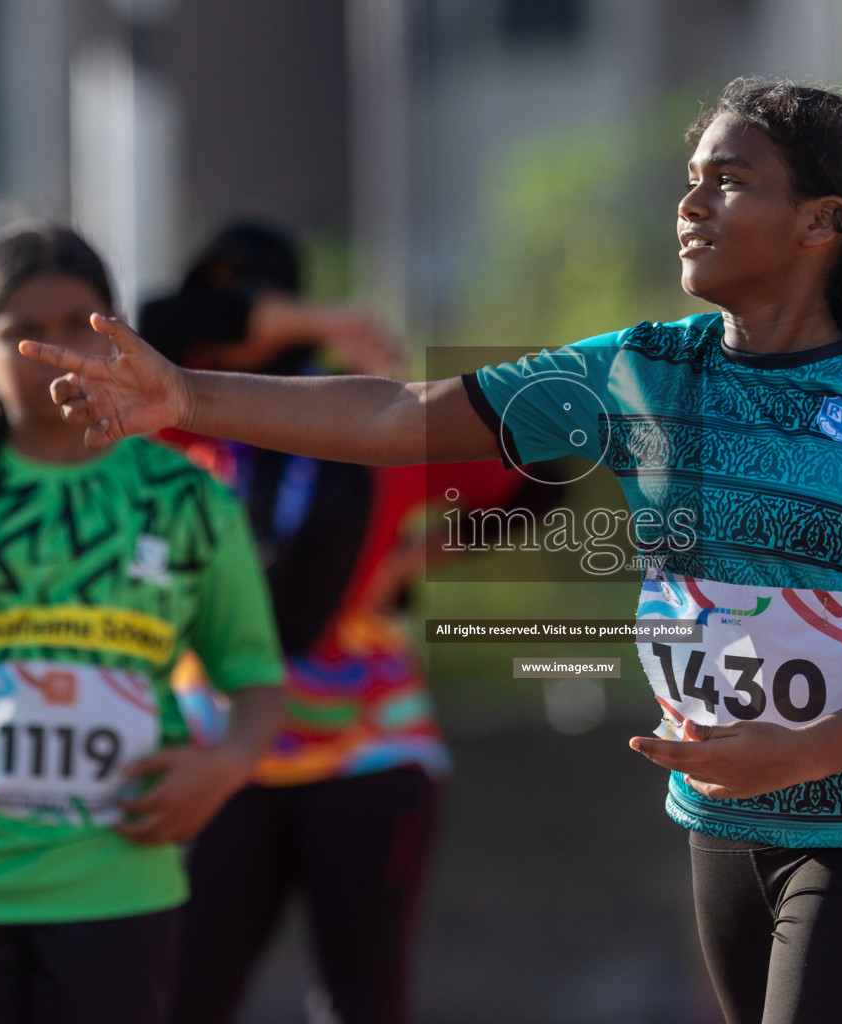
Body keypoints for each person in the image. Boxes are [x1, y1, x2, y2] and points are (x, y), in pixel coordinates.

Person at [21, 79, 842, 1024]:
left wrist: (807, 749)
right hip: (721, 820)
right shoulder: (637, 367)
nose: (690, 204)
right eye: (690, 181)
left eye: (729, 183)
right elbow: (396, 414)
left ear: (823, 221)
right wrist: (190, 397)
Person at [0, 224, 286, 1024]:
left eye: (80, 324)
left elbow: (255, 678)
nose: (54, 349)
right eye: (22, 331)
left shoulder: (189, 501)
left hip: (118, 884)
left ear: (120, 332)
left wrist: (229, 761)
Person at [136, 222, 536, 1024]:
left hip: (367, 747)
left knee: (362, 1004)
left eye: (246, 297)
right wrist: (320, 318)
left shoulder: (364, 413)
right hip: (220, 748)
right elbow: (161, 325)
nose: (229, 320)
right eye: (232, 304)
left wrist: (423, 558)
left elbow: (546, 451)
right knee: (181, 997)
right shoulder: (181, 409)